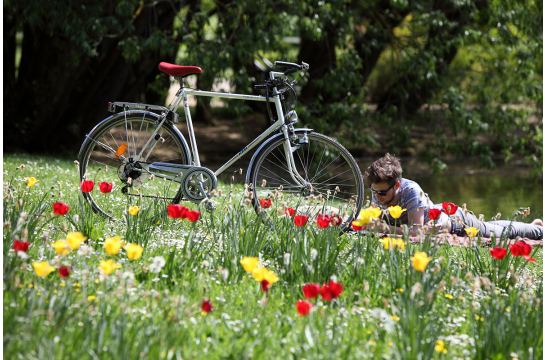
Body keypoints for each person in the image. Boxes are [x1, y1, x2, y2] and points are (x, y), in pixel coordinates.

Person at [363, 153, 543, 240]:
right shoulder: (379, 192)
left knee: (499, 233)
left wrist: (384, 229)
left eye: (381, 192)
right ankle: (533, 225)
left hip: (457, 223)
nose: (377, 197)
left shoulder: (411, 191)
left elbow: (416, 232)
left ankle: (538, 230)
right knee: (491, 225)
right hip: (441, 214)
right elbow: (373, 221)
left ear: (397, 186)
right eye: (373, 191)